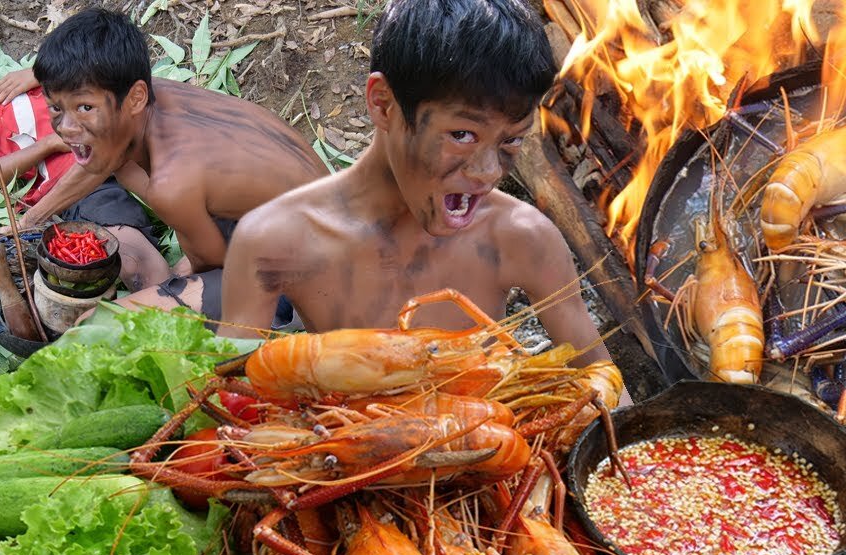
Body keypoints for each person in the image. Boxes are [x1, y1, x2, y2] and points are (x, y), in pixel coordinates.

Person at [220, 0, 624, 383]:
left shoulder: (521, 237)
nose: (487, 173)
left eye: (511, 141)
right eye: (462, 134)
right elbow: (224, 402)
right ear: (383, 105)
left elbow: (603, 383)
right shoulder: (274, 242)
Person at [26, 8, 330, 323]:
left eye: (85, 107)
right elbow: (98, 158)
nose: (66, 127)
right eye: (55, 108)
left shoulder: (171, 183)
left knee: (103, 323)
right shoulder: (146, 93)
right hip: (311, 218)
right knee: (120, 159)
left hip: (313, 281)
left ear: (135, 98)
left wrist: (168, 291)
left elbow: (213, 267)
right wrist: (28, 221)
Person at [0, 37, 170, 291]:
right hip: (74, 188)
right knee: (132, 259)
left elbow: (98, 71)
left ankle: (191, 275)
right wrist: (47, 144)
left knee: (178, 188)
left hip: (122, 146)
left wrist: (37, 74)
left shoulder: (27, 79)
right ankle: (173, 303)